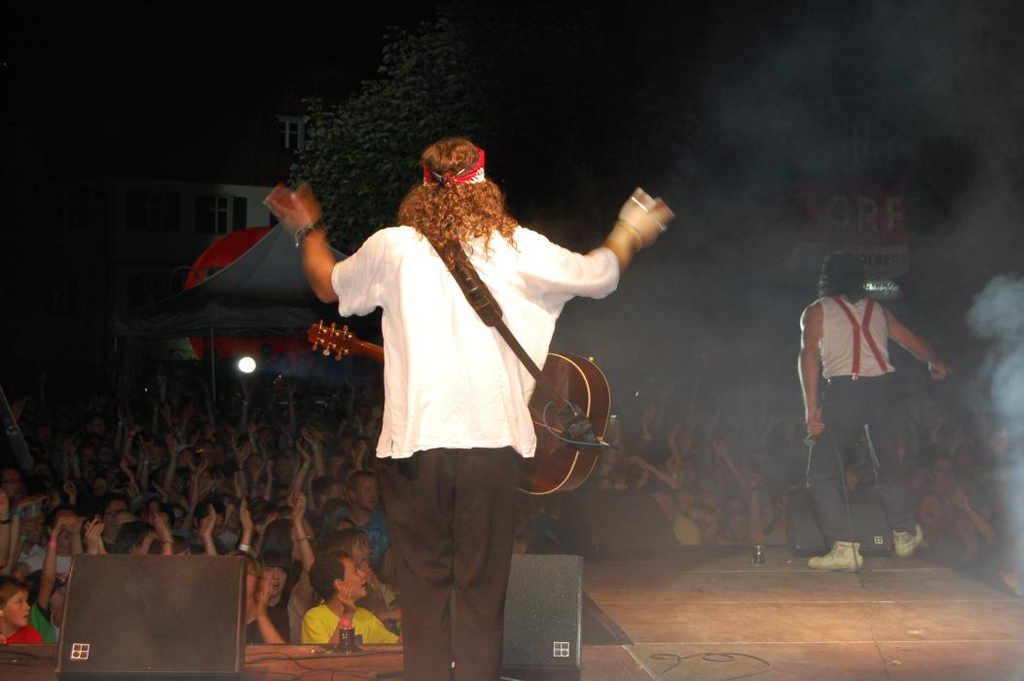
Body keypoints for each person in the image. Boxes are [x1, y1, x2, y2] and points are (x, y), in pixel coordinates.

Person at [266, 137, 672, 679]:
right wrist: (629, 230)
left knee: (422, 595)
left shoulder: (393, 248)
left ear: (423, 187)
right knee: (481, 597)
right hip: (490, 449)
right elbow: (601, 275)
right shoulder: (518, 248)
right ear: (485, 186)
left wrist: (308, 228)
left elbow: (325, 283)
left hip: (414, 450)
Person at [798, 251, 948, 571]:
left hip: (845, 392)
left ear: (827, 279)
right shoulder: (877, 310)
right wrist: (935, 361)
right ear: (861, 279)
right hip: (883, 393)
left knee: (821, 475)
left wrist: (811, 408)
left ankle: (845, 546)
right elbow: (913, 343)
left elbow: (809, 354)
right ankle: (904, 534)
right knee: (888, 466)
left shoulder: (817, 310)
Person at [301, 550, 398, 646]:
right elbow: (328, 655)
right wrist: (347, 614)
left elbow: (397, 646)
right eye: (355, 571)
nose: (363, 574)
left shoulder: (364, 616)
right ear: (339, 584)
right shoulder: (314, 618)